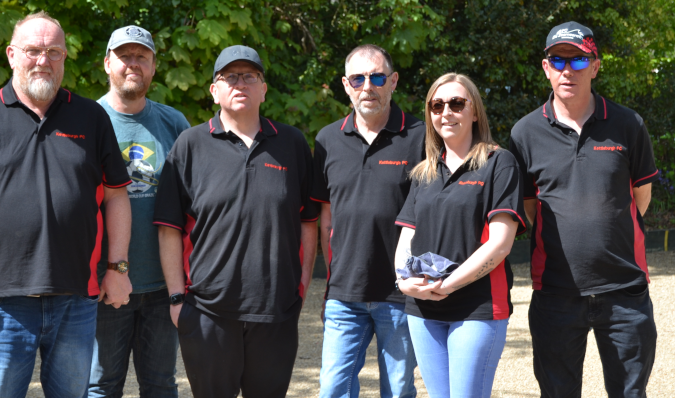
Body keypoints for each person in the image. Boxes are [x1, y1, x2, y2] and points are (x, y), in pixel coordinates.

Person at [0, 11, 133, 398]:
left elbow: (116, 196)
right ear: (12, 55)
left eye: (54, 52)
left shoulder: (92, 117)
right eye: (33, 51)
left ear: (64, 58)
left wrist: (118, 267)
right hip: (4, 301)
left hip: (77, 298)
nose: (43, 60)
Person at [153, 45, 319, 398]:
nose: (239, 83)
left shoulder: (291, 143)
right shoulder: (190, 145)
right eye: (229, 77)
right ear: (214, 90)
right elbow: (169, 228)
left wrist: (302, 285)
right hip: (207, 313)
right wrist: (176, 299)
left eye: (249, 76)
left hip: (276, 311)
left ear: (263, 89)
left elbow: (308, 221)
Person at [508, 21, 658, 398]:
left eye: (578, 61)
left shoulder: (628, 124)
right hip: (555, 293)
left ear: (595, 66)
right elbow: (528, 208)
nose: (567, 70)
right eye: (558, 60)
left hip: (624, 290)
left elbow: (641, 196)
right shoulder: (524, 134)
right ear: (545, 68)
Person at [394, 73, 527, 398]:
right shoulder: (424, 171)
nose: (445, 112)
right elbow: (405, 240)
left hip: (477, 307)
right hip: (423, 308)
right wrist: (402, 281)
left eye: (456, 103)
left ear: (475, 111)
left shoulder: (499, 164)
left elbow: (500, 244)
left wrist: (447, 286)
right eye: (436, 106)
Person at [312, 44, 424, 398]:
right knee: (333, 390)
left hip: (400, 293)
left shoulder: (421, 136)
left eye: (377, 77)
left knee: (399, 391)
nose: (367, 86)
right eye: (358, 78)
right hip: (345, 295)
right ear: (346, 85)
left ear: (393, 81)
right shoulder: (327, 140)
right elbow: (325, 217)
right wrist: (333, 277)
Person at [87, 25, 191, 398]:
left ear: (153, 66)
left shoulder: (174, 123)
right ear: (106, 64)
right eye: (124, 56)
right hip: (103, 286)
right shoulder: (87, 120)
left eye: (141, 57)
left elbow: (190, 202)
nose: (133, 64)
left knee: (161, 385)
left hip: (163, 285)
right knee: (100, 386)